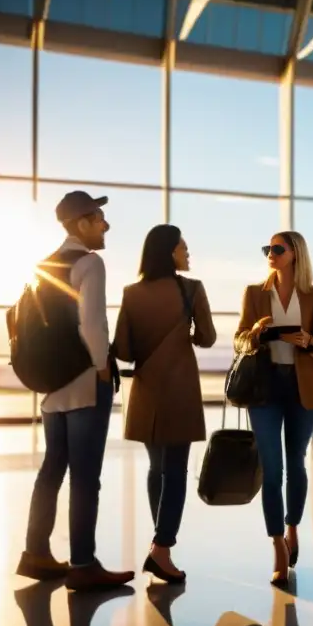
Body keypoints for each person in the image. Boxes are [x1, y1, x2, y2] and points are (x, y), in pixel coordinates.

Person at [16, 191, 134, 592]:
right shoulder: (90, 263)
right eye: (99, 217)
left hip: (51, 386)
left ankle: (36, 552)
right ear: (82, 223)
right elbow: (92, 324)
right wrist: (102, 365)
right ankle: (83, 563)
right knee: (86, 477)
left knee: (52, 469)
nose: (106, 224)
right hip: (84, 380)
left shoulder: (42, 266)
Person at [112, 224, 216, 584]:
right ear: (171, 251)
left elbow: (123, 351)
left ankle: (160, 541)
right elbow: (208, 338)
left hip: (146, 393)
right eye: (184, 248)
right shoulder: (191, 289)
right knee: (176, 472)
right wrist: (184, 331)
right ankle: (162, 548)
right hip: (179, 390)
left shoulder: (131, 292)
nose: (188, 254)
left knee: (157, 468)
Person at [235, 232, 313, 587]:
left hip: (301, 386)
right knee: (271, 469)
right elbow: (240, 339)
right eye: (267, 249)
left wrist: (310, 341)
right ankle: (277, 545)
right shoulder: (254, 294)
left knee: (296, 463)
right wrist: (257, 332)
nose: (270, 254)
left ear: (295, 254)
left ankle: (293, 528)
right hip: (265, 387)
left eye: (277, 249)